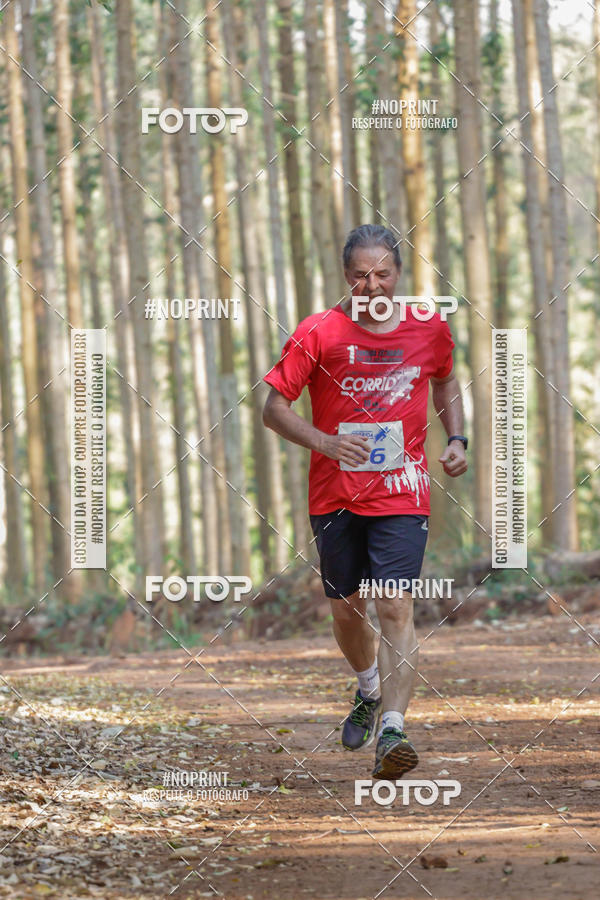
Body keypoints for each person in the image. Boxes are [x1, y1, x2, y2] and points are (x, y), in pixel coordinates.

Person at [262, 224, 468, 780]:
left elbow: (446, 381)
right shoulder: (318, 332)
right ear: (345, 276)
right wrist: (326, 442)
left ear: (397, 273)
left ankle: (394, 729)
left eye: (381, 274)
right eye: (359, 276)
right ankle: (369, 685)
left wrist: (456, 438)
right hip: (335, 494)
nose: (371, 286)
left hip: (403, 492)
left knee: (395, 605)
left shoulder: (428, 328)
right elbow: (273, 408)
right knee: (347, 609)